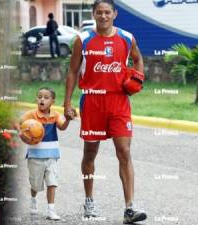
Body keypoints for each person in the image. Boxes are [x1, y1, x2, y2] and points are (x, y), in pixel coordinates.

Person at [63, 0, 147, 224]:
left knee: (124, 152)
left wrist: (138, 78)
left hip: (119, 102)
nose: (103, 16)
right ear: (93, 14)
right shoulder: (83, 39)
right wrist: (66, 103)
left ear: (115, 14)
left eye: (107, 12)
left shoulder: (127, 38)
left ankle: (130, 208)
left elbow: (138, 59)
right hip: (92, 102)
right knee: (90, 154)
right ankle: (89, 200)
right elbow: (72, 72)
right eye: (99, 12)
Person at [19, 87, 71, 221]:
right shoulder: (31, 115)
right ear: (36, 99)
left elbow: (62, 127)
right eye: (40, 96)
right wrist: (22, 135)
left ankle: (51, 210)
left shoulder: (55, 116)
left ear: (52, 101)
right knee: (35, 184)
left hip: (52, 156)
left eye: (46, 97)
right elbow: (19, 125)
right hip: (35, 156)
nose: (42, 99)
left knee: (52, 182)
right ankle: (33, 199)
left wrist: (68, 119)